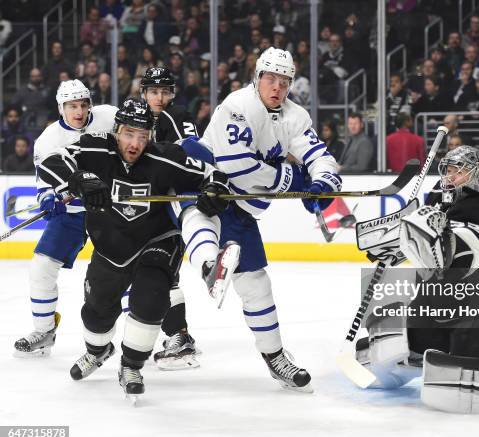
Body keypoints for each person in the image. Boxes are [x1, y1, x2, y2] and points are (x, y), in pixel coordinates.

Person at [36, 98, 231, 399]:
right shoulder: (94, 147)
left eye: (143, 136)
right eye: (129, 134)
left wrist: (215, 189)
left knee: (150, 299)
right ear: (116, 131)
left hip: (155, 241)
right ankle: (98, 351)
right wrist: (80, 179)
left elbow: (212, 173)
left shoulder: (165, 157)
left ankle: (131, 364)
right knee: (96, 313)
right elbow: (52, 162)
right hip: (110, 245)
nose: (135, 143)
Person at [191, 47, 342, 392]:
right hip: (212, 195)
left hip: (243, 210)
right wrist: (292, 179)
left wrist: (322, 182)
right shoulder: (237, 106)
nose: (277, 87)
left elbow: (320, 156)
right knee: (156, 266)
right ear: (257, 78)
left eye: (284, 81)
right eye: (270, 78)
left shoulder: (295, 116)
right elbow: (238, 167)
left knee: (257, 285)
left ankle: (275, 358)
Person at [355, 146, 479, 391]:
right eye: (448, 170)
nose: (450, 176)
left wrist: (423, 233)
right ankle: (407, 359)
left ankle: (476, 364)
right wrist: (396, 244)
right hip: (440, 304)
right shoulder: (436, 197)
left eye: (458, 171)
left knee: (467, 356)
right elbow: (424, 246)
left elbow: (465, 255)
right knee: (387, 334)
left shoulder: (477, 204)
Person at [13, 80, 117, 357]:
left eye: (83, 105)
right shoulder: (48, 139)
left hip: (111, 209)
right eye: (72, 106)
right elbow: (44, 177)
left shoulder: (109, 117)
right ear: (61, 108)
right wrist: (46, 196)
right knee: (41, 267)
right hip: (73, 214)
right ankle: (44, 330)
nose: (79, 111)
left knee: (124, 270)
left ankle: (139, 336)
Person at [138, 67, 203, 368]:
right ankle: (173, 334)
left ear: (173, 93)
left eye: (165, 91)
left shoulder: (177, 116)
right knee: (153, 274)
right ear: (144, 94)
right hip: (150, 207)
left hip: (172, 203)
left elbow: (191, 152)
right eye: (153, 91)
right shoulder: (139, 120)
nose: (159, 97)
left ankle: (179, 335)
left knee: (165, 273)